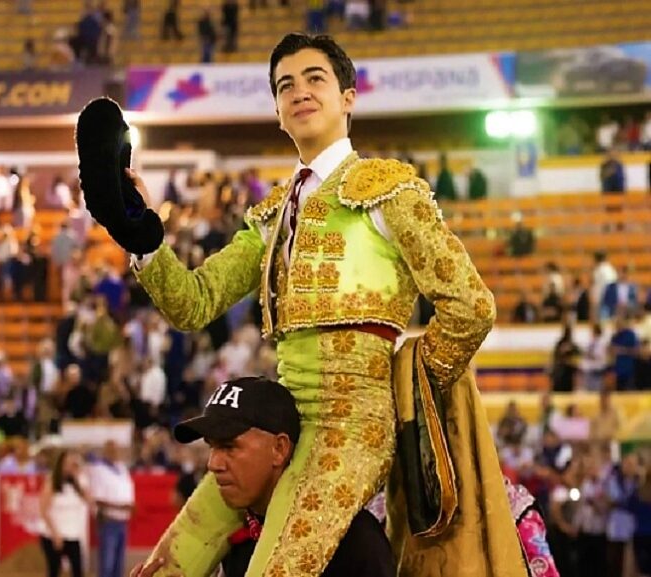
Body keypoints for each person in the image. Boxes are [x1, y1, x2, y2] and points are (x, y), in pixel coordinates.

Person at [84, 33, 525, 577]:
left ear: (348, 97)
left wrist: (407, 383)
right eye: (285, 85)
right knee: (170, 562)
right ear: (277, 111)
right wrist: (143, 239)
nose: (299, 92)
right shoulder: (272, 215)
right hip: (278, 421)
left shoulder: (389, 192)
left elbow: (471, 307)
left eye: (315, 79)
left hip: (355, 429)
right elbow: (194, 304)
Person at [130, 376, 396, 577]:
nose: (213, 464)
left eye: (229, 446)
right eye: (212, 447)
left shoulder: (351, 539)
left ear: (279, 449)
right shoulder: (237, 534)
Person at [38, 449, 93, 577]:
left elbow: (90, 500)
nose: (69, 467)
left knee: (77, 571)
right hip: (54, 535)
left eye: (72, 464)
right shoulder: (52, 483)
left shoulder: (77, 484)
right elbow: (43, 511)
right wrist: (55, 534)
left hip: (72, 534)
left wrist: (78, 477)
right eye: (66, 463)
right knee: (54, 571)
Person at [89, 440, 135, 577]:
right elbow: (97, 499)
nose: (114, 453)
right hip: (109, 521)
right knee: (107, 565)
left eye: (116, 450)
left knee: (118, 565)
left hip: (123, 522)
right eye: (110, 450)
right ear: (105, 451)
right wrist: (121, 507)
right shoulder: (98, 469)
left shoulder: (122, 468)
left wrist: (129, 506)